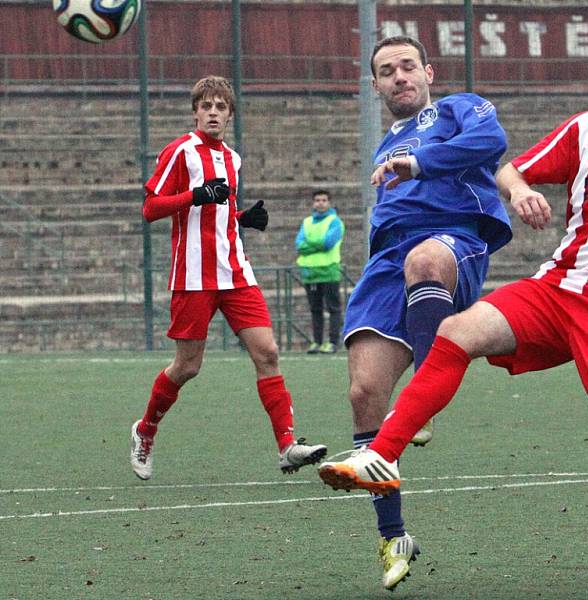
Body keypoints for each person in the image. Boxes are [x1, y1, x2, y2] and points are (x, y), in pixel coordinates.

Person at [318, 21, 588, 597]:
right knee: (458, 329)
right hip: (556, 289)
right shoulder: (586, 131)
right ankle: (381, 455)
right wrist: (520, 190)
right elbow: (509, 164)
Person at [328, 36, 512, 590]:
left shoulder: (460, 109)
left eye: (408, 66)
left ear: (428, 71)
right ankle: (394, 536)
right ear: (377, 85)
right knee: (364, 393)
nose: (399, 76)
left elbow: (492, 140)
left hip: (452, 240)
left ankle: (424, 401)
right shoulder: (386, 143)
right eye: (387, 71)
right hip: (388, 261)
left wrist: (419, 163)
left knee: (425, 260)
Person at [130, 75, 327, 481]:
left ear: (230, 114)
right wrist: (195, 195)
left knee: (268, 352)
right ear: (195, 111)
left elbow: (217, 213)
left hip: (236, 272)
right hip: (193, 277)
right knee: (187, 366)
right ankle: (146, 429)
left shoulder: (233, 159)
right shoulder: (180, 152)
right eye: (207, 106)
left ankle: (287, 446)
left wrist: (242, 219)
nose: (213, 113)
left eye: (221, 107)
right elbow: (150, 208)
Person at [295, 189, 345, 354]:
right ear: (313, 203)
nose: (320, 203)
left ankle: (332, 342)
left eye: (324, 200)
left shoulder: (335, 221)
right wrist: (317, 244)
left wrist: (311, 245)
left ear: (329, 202)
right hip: (310, 273)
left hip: (329, 271)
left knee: (333, 308)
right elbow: (299, 244)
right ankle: (316, 342)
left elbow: (328, 243)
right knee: (315, 309)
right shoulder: (307, 222)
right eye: (317, 200)